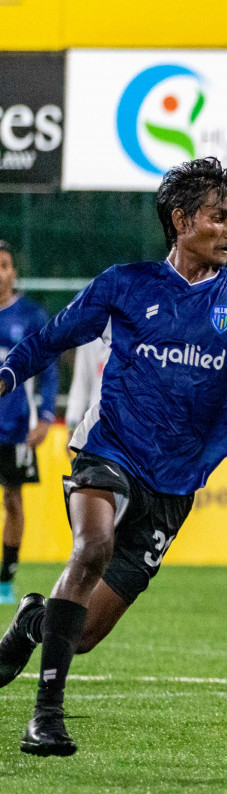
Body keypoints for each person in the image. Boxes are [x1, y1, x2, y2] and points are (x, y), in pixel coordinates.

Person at [0, 157, 227, 756]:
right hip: (110, 447)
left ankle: (31, 622)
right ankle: (46, 717)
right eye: (219, 217)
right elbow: (53, 337)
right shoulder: (126, 283)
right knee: (90, 546)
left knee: (84, 633)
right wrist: (9, 372)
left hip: (177, 480)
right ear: (181, 220)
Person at [0, 241, 58, 605]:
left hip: (16, 426)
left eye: (4, 265)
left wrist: (46, 415)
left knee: (13, 499)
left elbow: (49, 370)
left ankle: (6, 579)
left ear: (13, 272)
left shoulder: (31, 316)